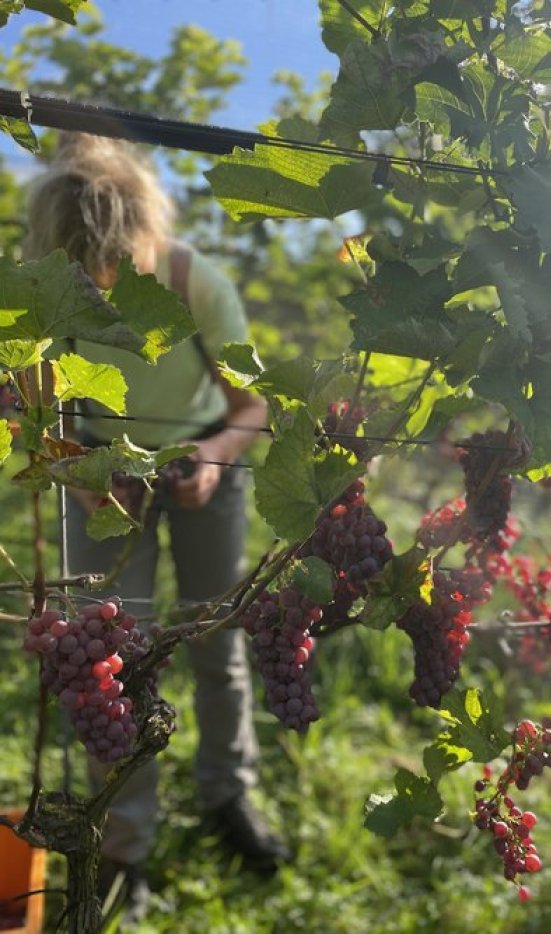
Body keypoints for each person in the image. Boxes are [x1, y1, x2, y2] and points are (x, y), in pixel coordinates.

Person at [23, 132, 290, 920]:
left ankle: (227, 796)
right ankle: (122, 843)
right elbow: (40, 418)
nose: (101, 280)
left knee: (219, 638)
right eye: (82, 266)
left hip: (205, 457)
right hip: (102, 472)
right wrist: (85, 475)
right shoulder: (48, 295)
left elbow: (254, 407)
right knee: (110, 662)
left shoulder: (190, 279)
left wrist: (211, 459)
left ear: (142, 232)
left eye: (113, 261)